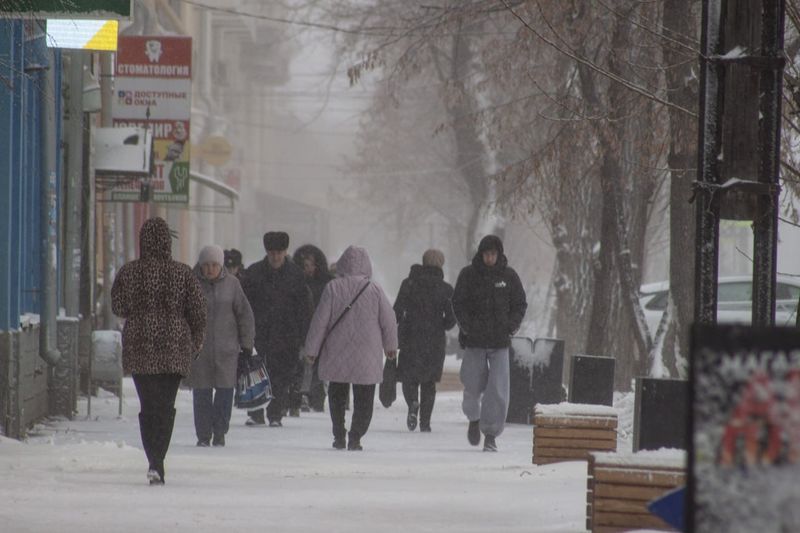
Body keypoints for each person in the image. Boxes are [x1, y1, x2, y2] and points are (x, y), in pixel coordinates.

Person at [111, 217, 206, 485]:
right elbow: (198, 312)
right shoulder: (184, 273)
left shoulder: (129, 272)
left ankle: (154, 459)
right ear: (168, 241)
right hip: (174, 347)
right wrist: (196, 342)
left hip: (140, 346)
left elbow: (118, 306)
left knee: (148, 406)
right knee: (165, 406)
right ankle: (158, 460)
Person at [304, 245, 398, 451]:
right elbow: (389, 321)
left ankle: (339, 433)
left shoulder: (332, 287)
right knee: (365, 397)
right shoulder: (374, 290)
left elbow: (319, 321)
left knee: (337, 393)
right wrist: (391, 346)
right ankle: (356, 435)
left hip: (337, 350)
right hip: (367, 352)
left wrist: (311, 350)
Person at [452, 235, 527, 452]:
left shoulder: (509, 277)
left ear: (499, 254)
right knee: (471, 385)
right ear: (481, 254)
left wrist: (511, 326)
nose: (490, 258)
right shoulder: (468, 275)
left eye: (493, 254)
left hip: (499, 342)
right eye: (486, 254)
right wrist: (467, 326)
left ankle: (491, 434)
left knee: (498, 390)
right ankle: (473, 418)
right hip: (474, 340)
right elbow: (458, 303)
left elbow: (520, 303)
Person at [241, 231, 313, 427]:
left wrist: (304, 337)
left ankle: (275, 413)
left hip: (287, 334)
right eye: (272, 252)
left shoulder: (296, 275)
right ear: (267, 252)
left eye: (279, 252)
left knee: (281, 376)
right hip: (259, 333)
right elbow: (244, 305)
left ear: (285, 252)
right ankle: (255, 412)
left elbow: (304, 309)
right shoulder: (254, 273)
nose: (275, 256)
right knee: (255, 372)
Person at [186, 245, 255, 447]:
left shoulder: (233, 285)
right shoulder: (191, 284)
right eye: (206, 265)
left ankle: (220, 431)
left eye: (214, 265)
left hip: (227, 350)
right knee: (201, 395)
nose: (210, 269)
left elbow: (245, 316)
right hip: (199, 350)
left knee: (225, 393)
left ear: (221, 265)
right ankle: (203, 435)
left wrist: (247, 343)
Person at [394, 249, 457, 433]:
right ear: (441, 265)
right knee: (429, 383)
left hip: (410, 338)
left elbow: (396, 311)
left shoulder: (409, 283)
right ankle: (425, 423)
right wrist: (441, 325)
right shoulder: (446, 289)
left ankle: (412, 402)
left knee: (409, 377)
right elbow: (452, 318)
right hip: (434, 341)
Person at [293, 244, 334, 412]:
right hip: (302, 328)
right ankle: (302, 395)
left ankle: (315, 397)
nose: (308, 269)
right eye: (305, 266)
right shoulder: (297, 284)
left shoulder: (326, 284)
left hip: (320, 329)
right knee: (303, 365)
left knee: (318, 366)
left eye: (311, 265)